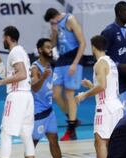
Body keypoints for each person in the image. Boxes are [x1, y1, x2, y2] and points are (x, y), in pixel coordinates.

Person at [21, 38, 79, 158]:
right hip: (38, 112)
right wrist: (43, 78)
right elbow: (34, 87)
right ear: (40, 50)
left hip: (49, 110)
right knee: (32, 142)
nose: (50, 50)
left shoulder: (49, 66)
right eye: (47, 47)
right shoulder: (35, 68)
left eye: (51, 47)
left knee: (54, 140)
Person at [75, 35, 124, 158]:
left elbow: (102, 86)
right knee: (111, 144)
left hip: (105, 108)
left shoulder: (99, 64)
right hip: (116, 105)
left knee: (100, 142)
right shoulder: (110, 62)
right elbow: (106, 85)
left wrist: (84, 95)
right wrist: (90, 85)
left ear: (93, 47)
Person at [0, 26, 36, 158]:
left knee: (6, 134)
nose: (3, 40)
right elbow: (7, 73)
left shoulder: (15, 52)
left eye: (4, 37)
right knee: (26, 136)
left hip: (17, 96)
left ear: (8, 37)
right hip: (26, 97)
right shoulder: (20, 52)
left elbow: (22, 74)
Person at [44, 8, 86, 141]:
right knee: (55, 94)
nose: (51, 24)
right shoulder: (56, 25)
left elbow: (83, 43)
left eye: (51, 22)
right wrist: (54, 32)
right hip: (62, 59)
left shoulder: (70, 19)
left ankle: (71, 130)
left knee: (69, 94)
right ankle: (72, 118)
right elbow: (53, 44)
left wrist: (75, 63)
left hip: (73, 58)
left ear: (55, 17)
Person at [101, 1, 126, 115]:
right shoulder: (108, 31)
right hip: (114, 85)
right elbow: (101, 59)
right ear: (120, 13)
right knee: (118, 119)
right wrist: (119, 66)